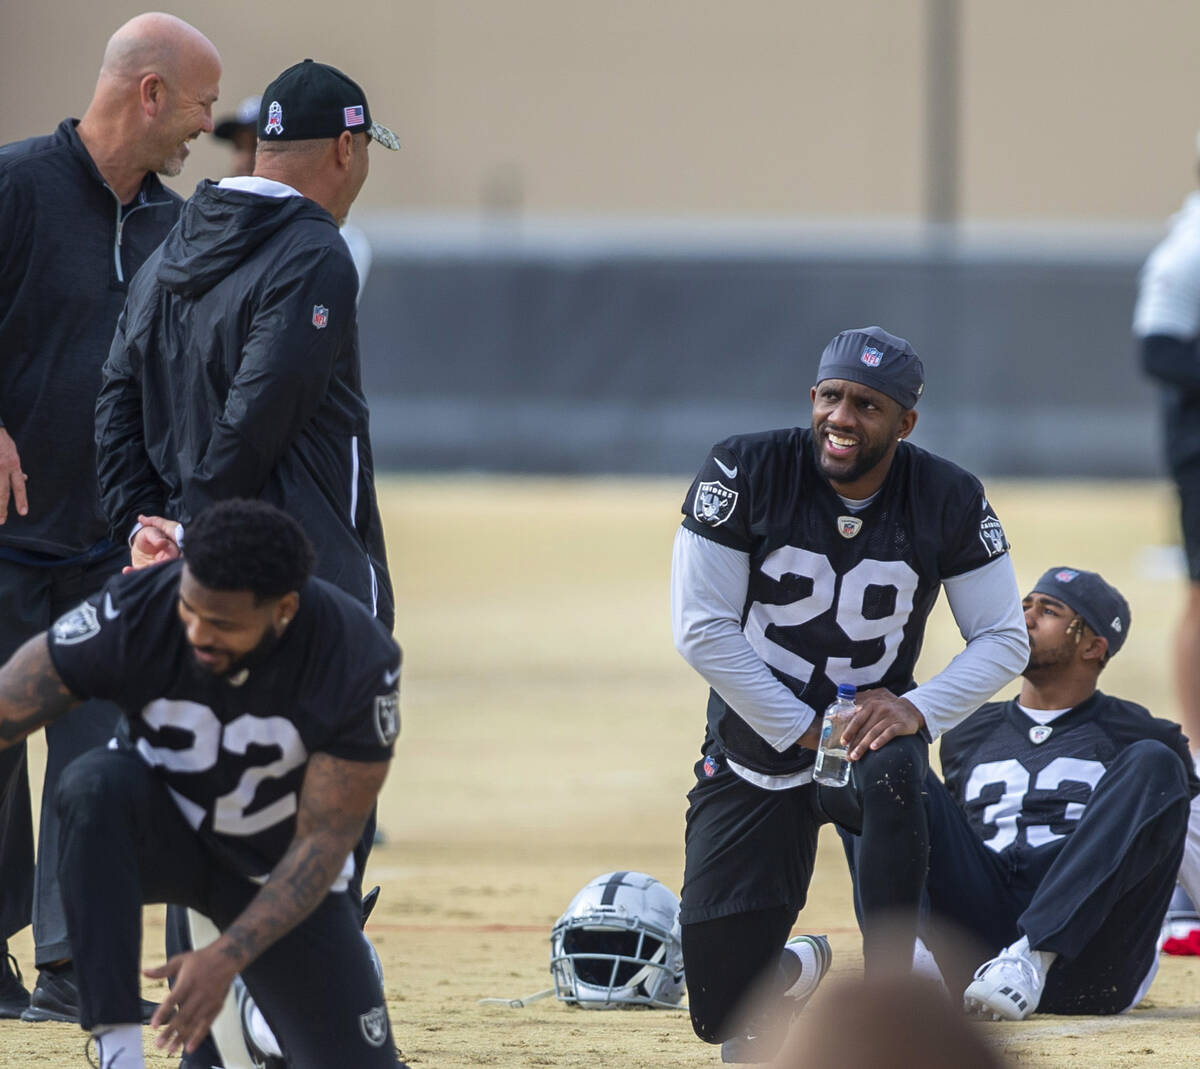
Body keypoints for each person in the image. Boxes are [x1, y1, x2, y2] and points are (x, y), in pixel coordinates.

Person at [670, 325, 1028, 1063]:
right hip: (759, 736)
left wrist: (916, 706)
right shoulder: (743, 468)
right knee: (718, 1010)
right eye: (831, 396)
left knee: (895, 768)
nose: (841, 416)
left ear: (905, 422)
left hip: (870, 738)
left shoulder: (948, 495)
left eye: (867, 404)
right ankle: (796, 964)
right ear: (812, 398)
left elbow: (1004, 636)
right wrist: (804, 727)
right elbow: (702, 630)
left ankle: (891, 1009)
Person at [0, 499, 406, 1069]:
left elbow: (325, 844)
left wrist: (227, 957)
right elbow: (9, 704)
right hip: (166, 838)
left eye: (223, 624)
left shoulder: (357, 658)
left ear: (284, 610)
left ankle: (251, 1013)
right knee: (94, 784)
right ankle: (117, 1048)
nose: (196, 633)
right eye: (190, 610)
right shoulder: (143, 604)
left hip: (279, 868)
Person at [0, 12, 221, 1023]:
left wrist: (171, 510)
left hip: (112, 547)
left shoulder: (180, 229)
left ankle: (69, 965)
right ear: (150, 95)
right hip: (4, 538)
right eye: (201, 106)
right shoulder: (13, 186)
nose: (204, 130)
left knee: (93, 767)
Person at [903, 567, 1198, 1019]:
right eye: (1025, 605)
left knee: (1153, 762)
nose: (1026, 618)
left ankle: (1035, 952)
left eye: (1049, 611)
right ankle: (907, 959)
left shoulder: (1142, 733)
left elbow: (1188, 831)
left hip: (1092, 961)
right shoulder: (968, 730)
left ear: (1093, 645)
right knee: (892, 762)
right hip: (982, 952)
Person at [211, 91, 374, 292]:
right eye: (239, 146)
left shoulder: (337, 238)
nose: (243, 160)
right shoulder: (211, 218)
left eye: (256, 146)